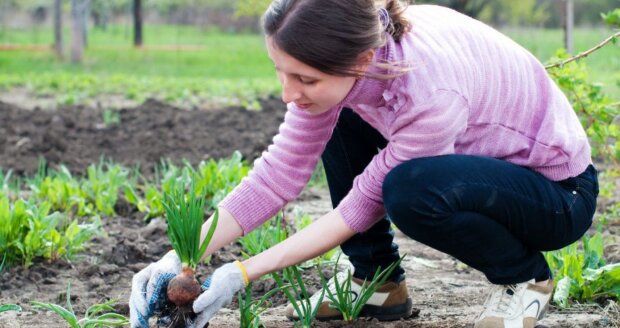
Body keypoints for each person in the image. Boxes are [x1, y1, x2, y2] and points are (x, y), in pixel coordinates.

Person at [129, 0, 599, 327]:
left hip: (555, 195)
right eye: (281, 71)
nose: (287, 92)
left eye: (304, 78)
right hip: (478, 169)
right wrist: (183, 254)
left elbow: (356, 210)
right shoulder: (356, 56)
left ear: (362, 59)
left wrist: (242, 272)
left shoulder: (428, 92)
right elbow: (278, 176)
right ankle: (377, 282)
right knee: (337, 117)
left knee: (409, 190)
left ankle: (524, 279)